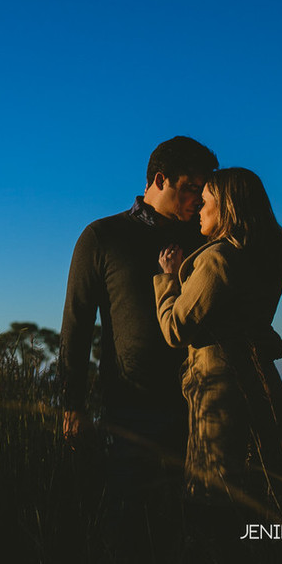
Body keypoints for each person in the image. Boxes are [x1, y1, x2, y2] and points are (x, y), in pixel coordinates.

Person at [58, 136, 219, 540]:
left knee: (197, 523)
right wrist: (71, 405)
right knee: (129, 518)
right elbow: (75, 323)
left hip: (199, 402)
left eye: (203, 191)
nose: (198, 200)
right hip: (132, 404)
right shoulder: (103, 236)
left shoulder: (203, 240)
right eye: (189, 188)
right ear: (159, 179)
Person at [154, 167, 282, 510]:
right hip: (262, 383)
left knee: (213, 497)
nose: (198, 210)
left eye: (205, 201)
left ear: (227, 206)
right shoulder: (265, 254)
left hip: (220, 392)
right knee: (265, 493)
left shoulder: (219, 258)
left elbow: (175, 330)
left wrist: (168, 280)